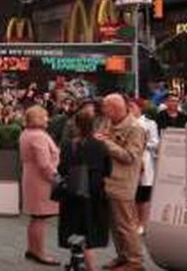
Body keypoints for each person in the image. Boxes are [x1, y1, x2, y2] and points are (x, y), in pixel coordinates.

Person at [57, 108, 112, 271]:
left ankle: (78, 259)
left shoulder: (68, 145)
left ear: (76, 125)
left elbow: (62, 168)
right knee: (89, 229)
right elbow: (108, 170)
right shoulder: (101, 145)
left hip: (73, 192)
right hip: (95, 192)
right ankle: (87, 265)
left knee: (74, 227)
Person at [96, 94, 146, 271]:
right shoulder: (109, 122)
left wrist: (107, 143)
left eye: (106, 108)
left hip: (122, 183)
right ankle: (122, 256)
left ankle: (135, 262)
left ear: (116, 108)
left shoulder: (135, 128)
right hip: (107, 181)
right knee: (115, 224)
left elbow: (130, 156)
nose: (103, 111)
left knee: (126, 225)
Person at [20, 106, 60, 266]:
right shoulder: (39, 136)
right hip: (41, 181)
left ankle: (32, 249)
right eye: (44, 116)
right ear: (37, 118)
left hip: (31, 177)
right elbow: (44, 164)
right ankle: (40, 252)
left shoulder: (26, 134)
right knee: (40, 218)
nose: (47, 119)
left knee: (35, 217)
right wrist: (55, 178)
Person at [131, 99, 159, 233]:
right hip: (131, 161)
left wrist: (143, 143)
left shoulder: (149, 123)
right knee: (133, 194)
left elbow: (155, 143)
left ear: (139, 108)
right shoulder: (127, 123)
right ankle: (134, 221)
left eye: (133, 106)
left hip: (145, 160)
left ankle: (143, 223)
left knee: (144, 195)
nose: (130, 109)